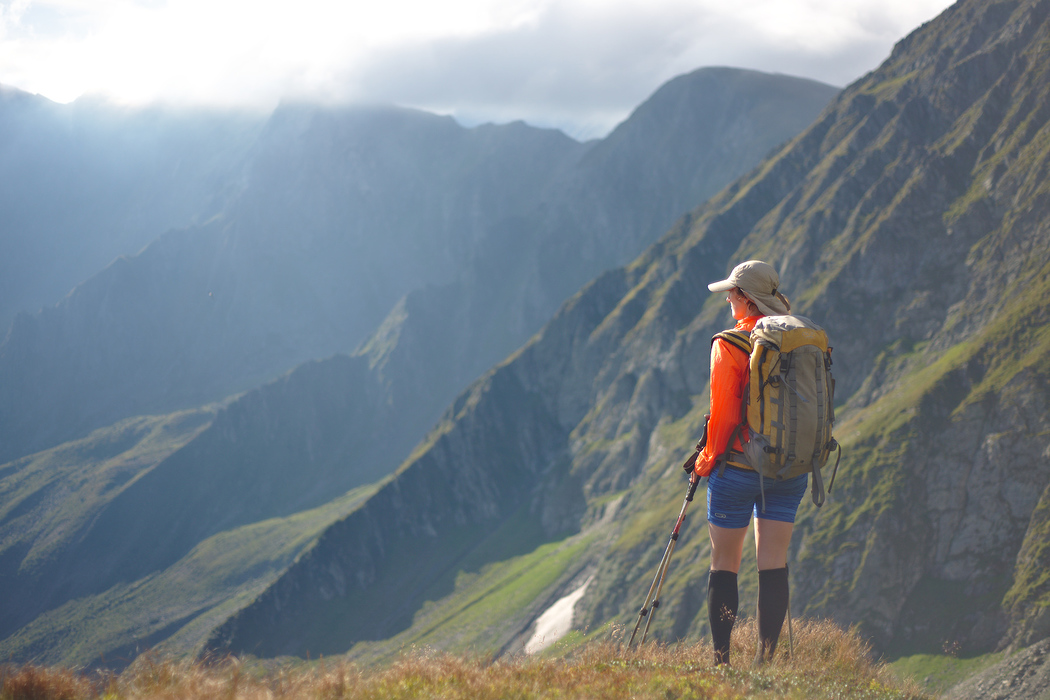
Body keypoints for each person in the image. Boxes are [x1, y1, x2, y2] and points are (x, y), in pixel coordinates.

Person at [692, 260, 805, 666]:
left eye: (731, 293)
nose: (727, 299)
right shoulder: (800, 336)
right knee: (773, 562)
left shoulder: (731, 343)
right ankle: (765, 662)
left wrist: (705, 461)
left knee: (724, 563)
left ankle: (722, 665)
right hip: (790, 469)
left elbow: (722, 416)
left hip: (739, 469)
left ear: (745, 298)